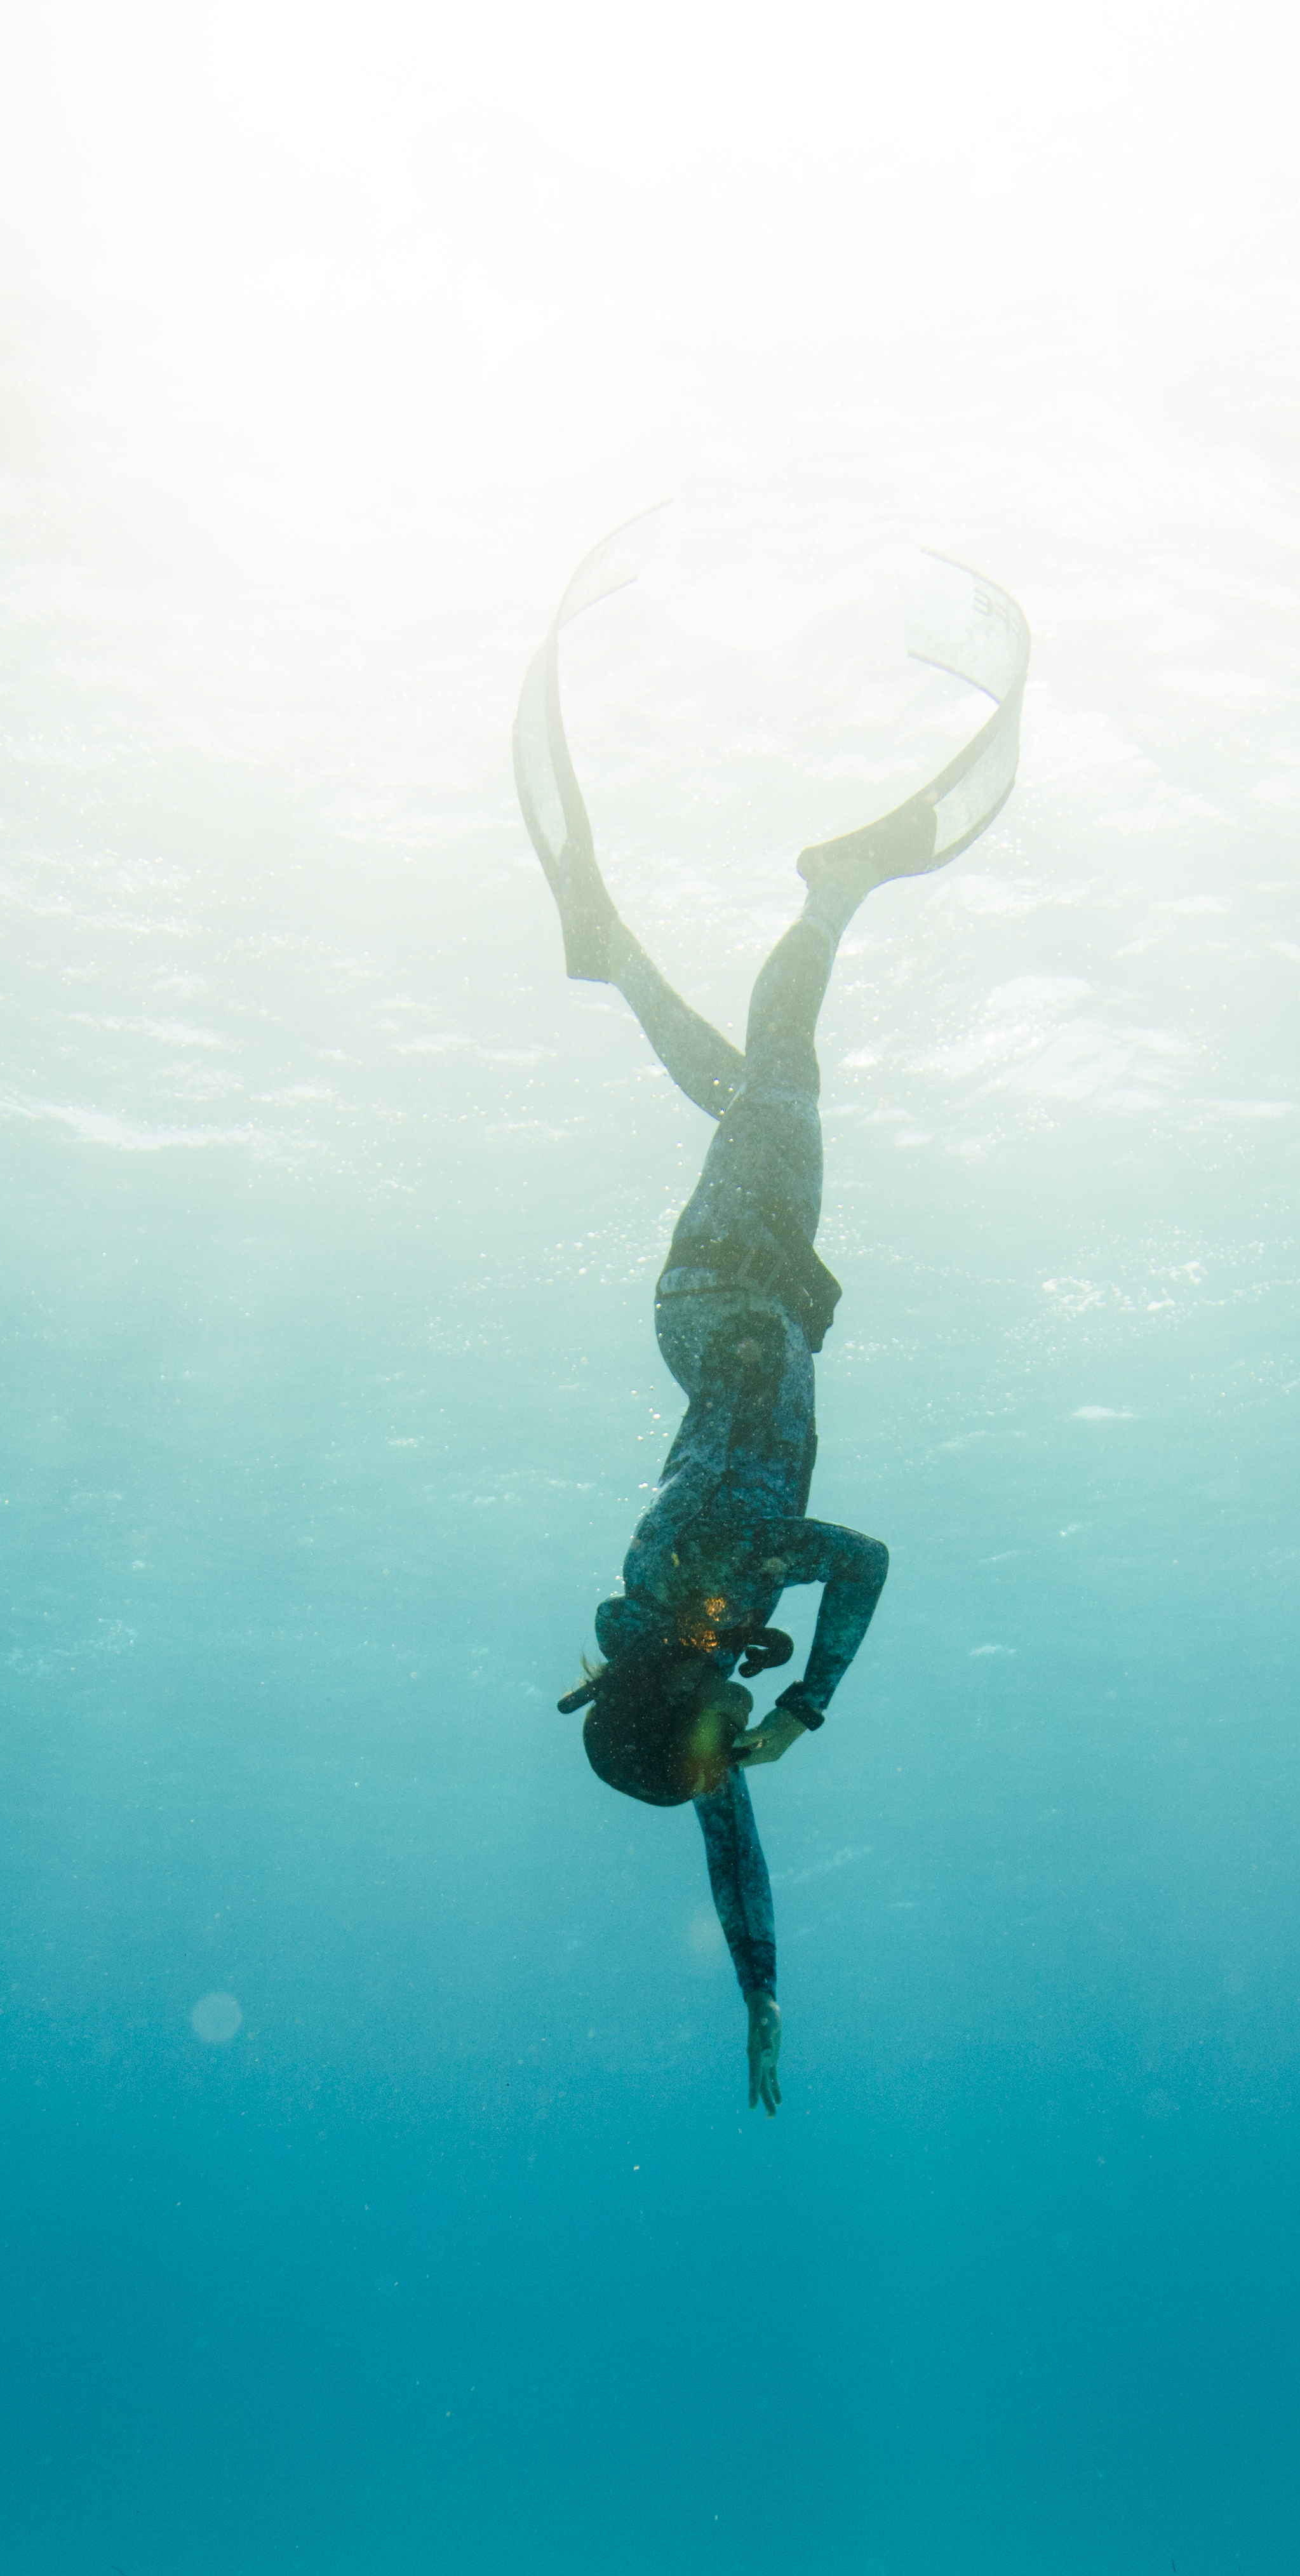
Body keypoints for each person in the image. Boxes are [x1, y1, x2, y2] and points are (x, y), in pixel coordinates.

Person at [520, 516, 1022, 2112]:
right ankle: (611, 956)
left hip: (737, 1284)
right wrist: (762, 1992)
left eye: (713, 1744)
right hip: (719, 1303)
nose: (732, 1762)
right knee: (751, 1090)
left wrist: (809, 1700)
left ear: (685, 1701)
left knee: (783, 1083)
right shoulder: (683, 1634)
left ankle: (832, 891)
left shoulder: (714, 1575)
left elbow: (861, 1561)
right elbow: (726, 1827)